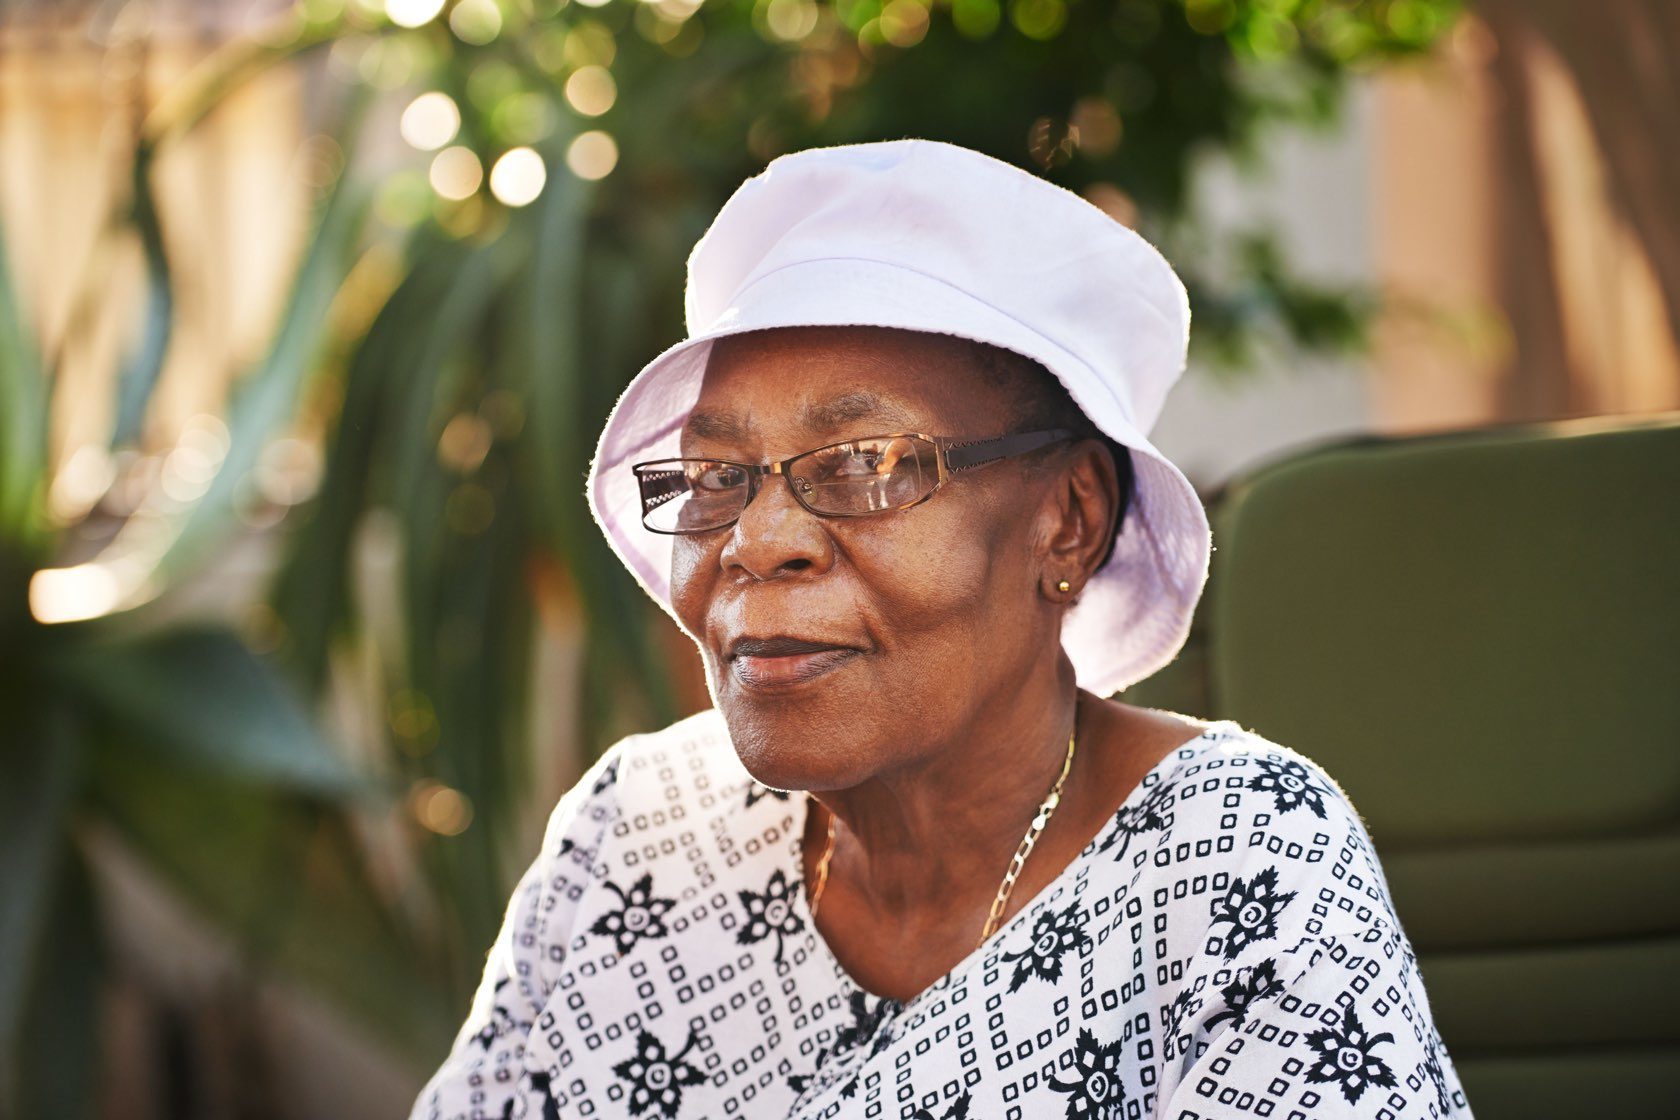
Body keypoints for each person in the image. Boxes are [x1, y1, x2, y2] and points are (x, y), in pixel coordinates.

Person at [410, 139, 1473, 1120]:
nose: (758, 538)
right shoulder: (637, 835)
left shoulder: (1237, 860)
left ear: (1069, 522)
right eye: (712, 475)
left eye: (868, 463)